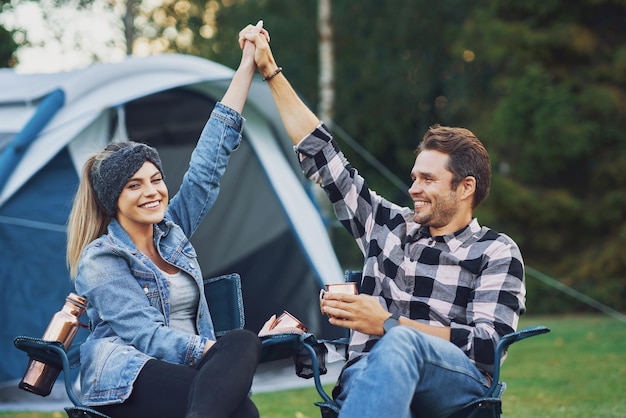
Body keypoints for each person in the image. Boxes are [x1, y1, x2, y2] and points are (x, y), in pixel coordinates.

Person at [242, 27, 526, 418]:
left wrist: (389, 325)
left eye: (428, 179)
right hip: (368, 374)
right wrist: (270, 70)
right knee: (380, 362)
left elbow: (488, 348)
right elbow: (323, 157)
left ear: (466, 187)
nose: (414, 188)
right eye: (414, 177)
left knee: (400, 343)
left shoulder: (496, 250)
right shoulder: (386, 226)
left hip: (454, 384)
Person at [65, 22, 271, 418]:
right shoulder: (101, 259)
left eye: (156, 179)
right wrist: (211, 352)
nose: (152, 192)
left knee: (245, 343)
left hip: (188, 371)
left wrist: (247, 64)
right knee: (242, 408)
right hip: (127, 377)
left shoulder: (171, 231)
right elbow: (145, 336)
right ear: (114, 200)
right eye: (134, 186)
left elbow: (208, 166)